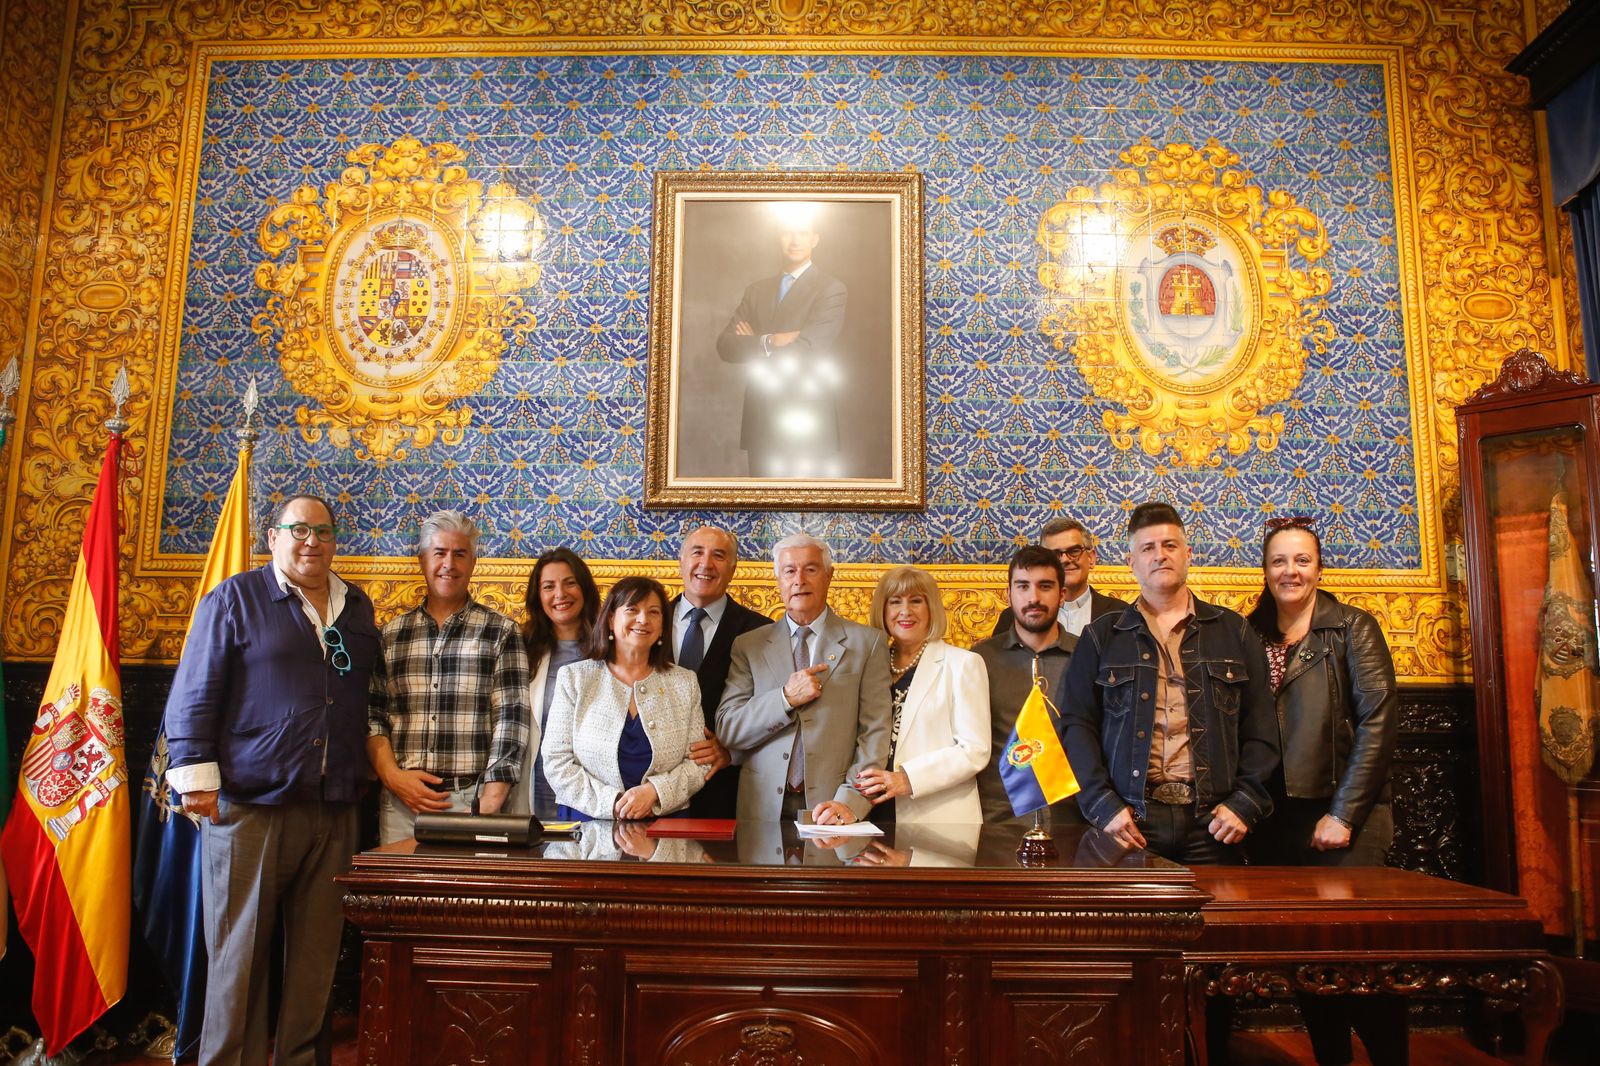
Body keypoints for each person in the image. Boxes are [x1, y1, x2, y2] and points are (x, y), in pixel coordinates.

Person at [163, 494, 380, 1066]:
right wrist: (196, 779)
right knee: (239, 957)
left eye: (323, 533)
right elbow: (193, 693)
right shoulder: (234, 598)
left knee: (315, 960)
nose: (312, 542)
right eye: (299, 530)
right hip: (249, 806)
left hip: (335, 808)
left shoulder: (356, 606)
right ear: (272, 536)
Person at [1247, 517, 1405, 1066]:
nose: (1290, 571)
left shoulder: (1352, 628)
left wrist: (1343, 814)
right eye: (1278, 561)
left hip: (1345, 818)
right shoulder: (1252, 632)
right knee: (1306, 963)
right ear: (1264, 570)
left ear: (1319, 567)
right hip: (1277, 821)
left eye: (1302, 560)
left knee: (1361, 960)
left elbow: (1378, 723)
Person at [1060, 501, 1279, 865]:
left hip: (1213, 823)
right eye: (1147, 548)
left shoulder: (1233, 630)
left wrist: (1246, 803)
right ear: (1131, 562)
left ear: (1188, 554)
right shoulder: (1101, 637)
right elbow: (1076, 727)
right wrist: (1103, 805)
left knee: (1216, 920)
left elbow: (1262, 728)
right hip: (1131, 821)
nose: (1160, 556)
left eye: (1170, 546)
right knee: (1133, 923)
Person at [367, 510, 531, 844]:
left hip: (470, 799)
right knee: (400, 896)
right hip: (401, 803)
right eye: (439, 553)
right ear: (422, 560)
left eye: (460, 554)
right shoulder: (391, 634)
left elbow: (511, 717)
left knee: (470, 898)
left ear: (473, 562)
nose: (449, 564)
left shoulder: (500, 632)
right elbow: (373, 714)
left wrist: (490, 801)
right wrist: (392, 777)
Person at [717, 533, 891, 825]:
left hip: (834, 806)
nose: (799, 580)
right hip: (761, 809)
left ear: (829, 575)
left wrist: (850, 801)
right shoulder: (748, 645)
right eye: (789, 571)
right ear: (779, 580)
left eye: (810, 569)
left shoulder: (868, 643)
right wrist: (784, 698)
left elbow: (874, 733)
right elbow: (729, 729)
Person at [540, 576, 710, 820]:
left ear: (663, 626)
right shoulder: (575, 678)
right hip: (587, 823)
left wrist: (654, 792)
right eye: (632, 609)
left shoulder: (684, 683)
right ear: (611, 619)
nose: (643, 619)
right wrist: (616, 803)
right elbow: (556, 761)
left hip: (665, 824)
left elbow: (697, 762)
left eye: (654, 612)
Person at [853, 565, 990, 824]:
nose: (905, 611)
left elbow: (974, 749)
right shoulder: (870, 666)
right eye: (895, 602)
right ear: (882, 611)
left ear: (931, 609)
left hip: (936, 817)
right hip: (869, 812)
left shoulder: (963, 664)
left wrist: (907, 778)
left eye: (916, 601)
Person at [715, 214, 850, 478]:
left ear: (815, 239)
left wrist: (754, 342)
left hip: (809, 414)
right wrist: (770, 340)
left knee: (807, 512)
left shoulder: (831, 289)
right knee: (762, 509)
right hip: (761, 416)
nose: (795, 240)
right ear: (778, 238)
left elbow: (809, 348)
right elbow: (726, 345)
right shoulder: (756, 290)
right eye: (787, 233)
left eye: (802, 233)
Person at [669, 525, 773, 818]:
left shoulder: (762, 632)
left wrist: (733, 753)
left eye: (719, 555)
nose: (706, 564)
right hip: (649, 792)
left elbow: (775, 714)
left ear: (733, 568)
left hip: (726, 792)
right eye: (697, 552)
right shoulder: (646, 623)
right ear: (681, 561)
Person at [972, 545, 1081, 825]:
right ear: (1008, 594)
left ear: (1062, 594)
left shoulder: (1088, 657)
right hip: (998, 822)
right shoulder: (979, 661)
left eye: (1045, 586)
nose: (1033, 598)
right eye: (1022, 586)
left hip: (1072, 822)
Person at [509, 548, 599, 818]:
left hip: (593, 788)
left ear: (584, 589)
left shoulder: (610, 648)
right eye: (549, 586)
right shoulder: (521, 647)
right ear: (539, 596)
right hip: (535, 782)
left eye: (570, 583)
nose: (560, 594)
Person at [993, 517, 1125, 638]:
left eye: (1074, 551)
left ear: (1091, 558)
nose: (1065, 560)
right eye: (1054, 554)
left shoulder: (1120, 614)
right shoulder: (1012, 617)